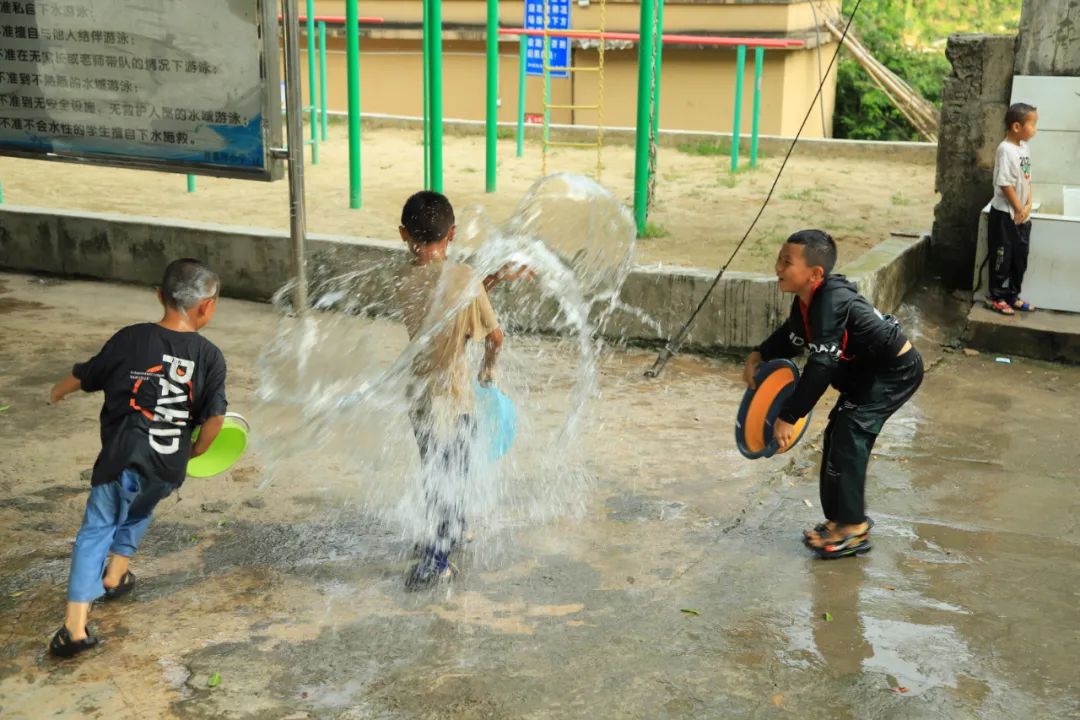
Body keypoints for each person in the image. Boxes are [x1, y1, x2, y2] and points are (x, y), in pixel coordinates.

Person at [47, 259, 228, 657]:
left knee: (97, 529)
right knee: (139, 510)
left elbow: (90, 373)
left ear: (160, 296)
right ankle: (116, 574)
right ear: (207, 307)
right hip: (167, 469)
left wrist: (59, 389)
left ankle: (75, 628)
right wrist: (194, 451)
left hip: (122, 460)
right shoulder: (210, 357)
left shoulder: (130, 339)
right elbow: (215, 419)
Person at [743, 230, 923, 559]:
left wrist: (789, 416)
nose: (778, 268)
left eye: (787, 262)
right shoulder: (805, 300)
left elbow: (821, 366)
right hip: (864, 372)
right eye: (778, 259)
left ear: (816, 273)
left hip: (894, 372)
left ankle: (853, 529)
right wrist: (760, 354)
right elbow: (793, 336)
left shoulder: (830, 300)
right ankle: (840, 519)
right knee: (838, 432)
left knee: (851, 434)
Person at [393, 191, 505, 590]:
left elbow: (444, 300)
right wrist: (487, 372)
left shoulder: (403, 278)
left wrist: (486, 283)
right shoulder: (466, 280)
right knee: (452, 476)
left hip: (421, 397)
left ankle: (452, 531)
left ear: (404, 233)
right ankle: (434, 561)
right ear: (453, 233)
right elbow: (494, 337)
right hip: (455, 400)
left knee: (435, 470)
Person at [986, 102, 1039, 315]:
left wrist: (1028, 205)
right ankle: (996, 297)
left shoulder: (1024, 148)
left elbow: (1027, 179)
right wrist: (1018, 208)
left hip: (1021, 215)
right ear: (1017, 127)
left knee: (1020, 258)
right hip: (1005, 215)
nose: (1035, 129)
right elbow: (1005, 183)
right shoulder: (1005, 149)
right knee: (1002, 257)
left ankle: (1012, 295)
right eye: (1032, 124)